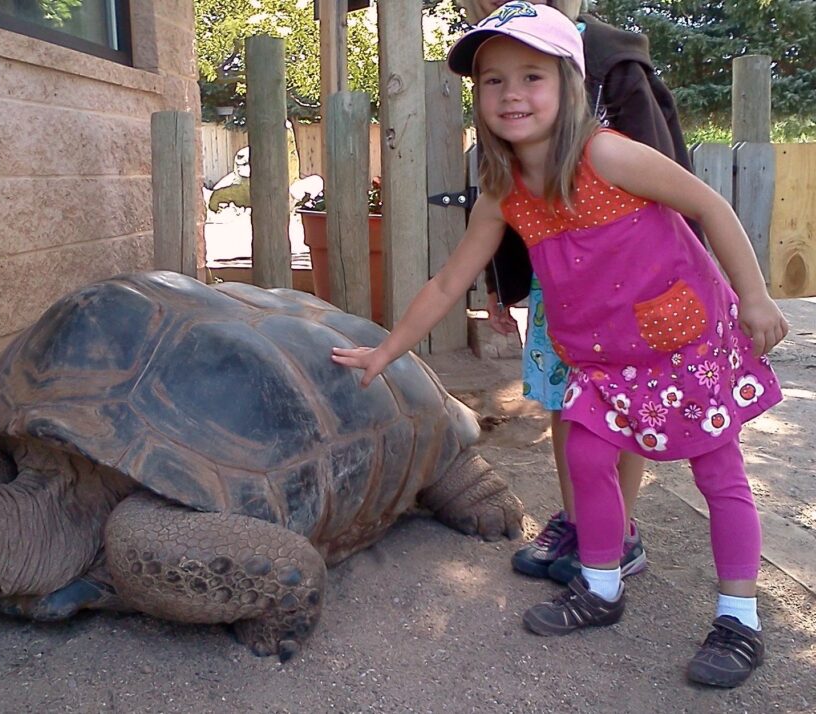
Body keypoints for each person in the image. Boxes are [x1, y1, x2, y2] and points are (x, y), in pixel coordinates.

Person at [331, 1, 788, 687]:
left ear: (569, 84)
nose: (512, 94)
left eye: (532, 77)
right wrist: (386, 350)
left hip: (682, 342)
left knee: (717, 470)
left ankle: (738, 618)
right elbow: (448, 279)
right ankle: (601, 586)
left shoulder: (607, 153)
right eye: (493, 80)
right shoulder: (504, 191)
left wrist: (754, 296)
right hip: (602, 358)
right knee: (584, 450)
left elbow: (708, 206)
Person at [470, 0, 701, 587]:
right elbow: (503, 190)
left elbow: (667, 177)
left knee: (622, 403)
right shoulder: (496, 61)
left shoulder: (615, 64)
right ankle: (579, 519)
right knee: (564, 400)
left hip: (628, 287)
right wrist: (502, 283)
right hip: (559, 283)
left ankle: (619, 533)